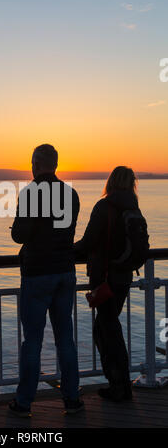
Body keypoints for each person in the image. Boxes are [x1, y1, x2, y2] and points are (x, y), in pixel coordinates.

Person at [9, 144, 83, 417]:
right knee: (66, 338)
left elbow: (19, 234)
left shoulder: (30, 194)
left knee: (32, 341)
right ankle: (72, 399)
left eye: (32, 162)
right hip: (65, 270)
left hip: (37, 272)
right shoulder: (71, 194)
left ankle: (24, 402)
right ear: (56, 164)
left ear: (36, 164)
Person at [74, 166, 142, 402]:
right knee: (106, 327)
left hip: (104, 278)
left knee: (108, 330)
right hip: (123, 277)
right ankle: (119, 383)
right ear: (132, 184)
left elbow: (89, 240)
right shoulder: (132, 207)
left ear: (110, 181)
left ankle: (120, 387)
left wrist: (69, 249)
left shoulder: (105, 206)